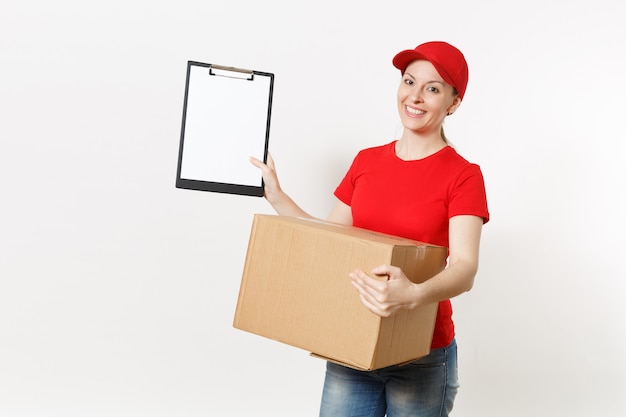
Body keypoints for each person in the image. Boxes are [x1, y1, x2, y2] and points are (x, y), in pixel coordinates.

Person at [250, 41, 489, 417]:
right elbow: (330, 241)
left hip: (422, 355)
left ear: (453, 103)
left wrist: (412, 294)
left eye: (433, 88)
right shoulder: (367, 162)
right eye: (409, 82)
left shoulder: (463, 175)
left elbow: (464, 267)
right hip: (352, 343)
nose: (415, 96)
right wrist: (277, 196)